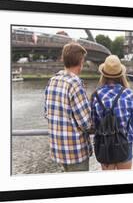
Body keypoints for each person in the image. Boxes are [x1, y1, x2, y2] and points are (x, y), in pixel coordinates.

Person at [44, 42, 92, 172]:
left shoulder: (52, 81)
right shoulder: (75, 83)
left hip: (58, 150)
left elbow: (47, 113)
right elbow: (86, 123)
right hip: (75, 151)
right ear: (81, 61)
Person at [91, 55, 133, 170]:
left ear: (103, 74)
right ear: (121, 74)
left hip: (104, 144)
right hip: (124, 143)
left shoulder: (96, 95)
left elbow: (94, 123)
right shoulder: (128, 94)